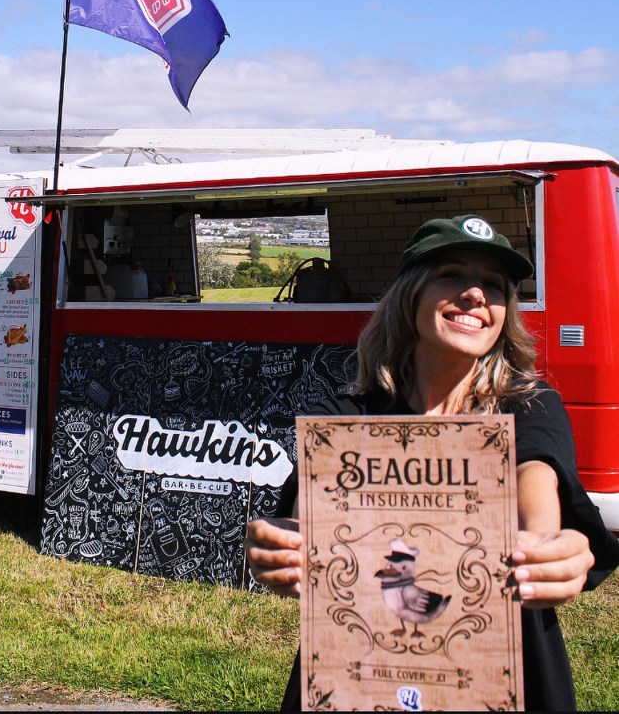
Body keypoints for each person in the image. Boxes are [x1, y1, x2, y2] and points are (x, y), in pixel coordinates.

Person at [245, 214, 619, 712]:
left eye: (493, 285)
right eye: (452, 276)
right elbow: (307, 517)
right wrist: (279, 547)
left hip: (500, 675)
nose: (475, 295)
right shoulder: (350, 415)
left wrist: (548, 549)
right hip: (361, 675)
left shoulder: (527, 405)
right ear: (411, 296)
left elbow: (538, 483)